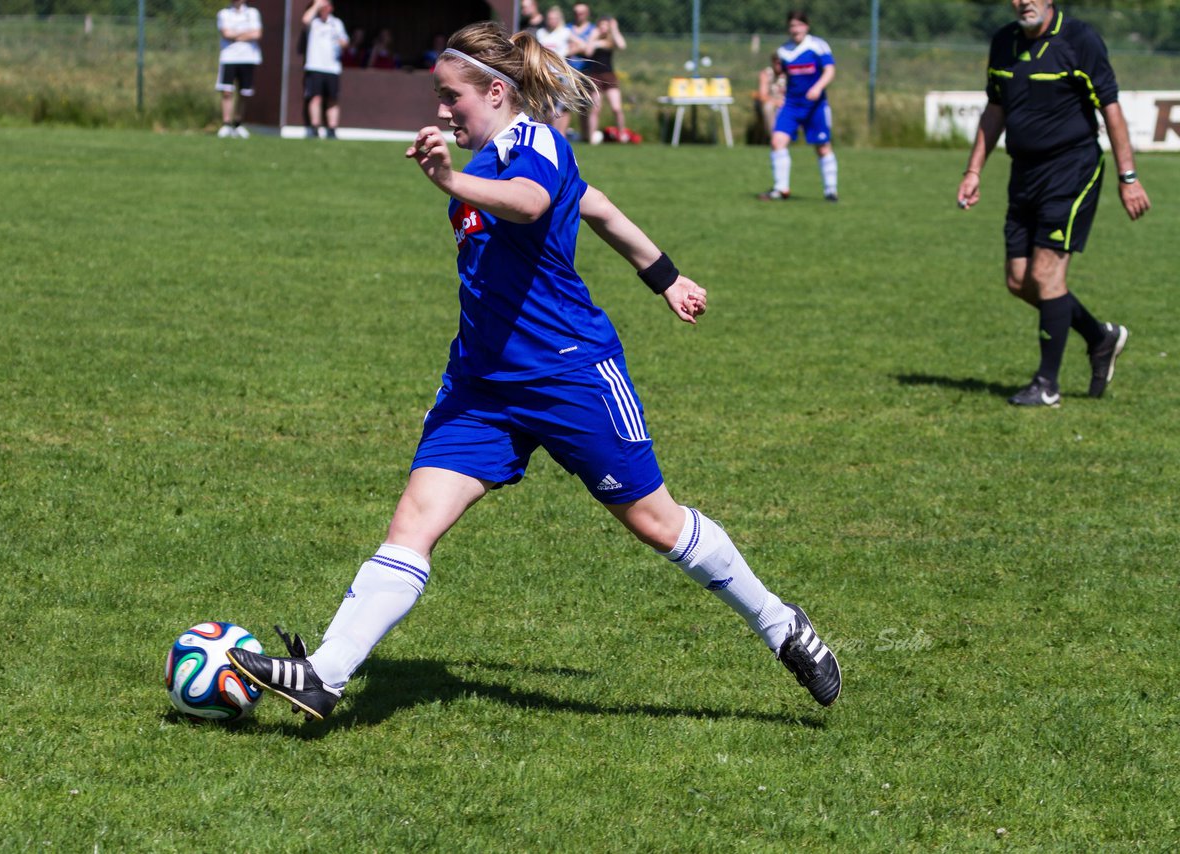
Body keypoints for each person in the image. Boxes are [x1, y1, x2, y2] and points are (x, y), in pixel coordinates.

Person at [226, 21, 842, 722]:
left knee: (655, 522)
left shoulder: (533, 144)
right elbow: (596, 205)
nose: (441, 110)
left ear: (495, 91)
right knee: (414, 521)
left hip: (569, 372)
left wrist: (450, 181)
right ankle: (325, 675)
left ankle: (779, 623)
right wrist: (665, 276)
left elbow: (536, 202)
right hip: (482, 384)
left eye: (450, 96)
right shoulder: (490, 153)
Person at [957, 0, 1150, 406]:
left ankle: (1047, 385)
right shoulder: (1004, 42)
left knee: (1047, 276)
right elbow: (996, 109)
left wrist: (1127, 176)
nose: (1025, 1)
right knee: (1018, 281)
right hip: (1024, 173)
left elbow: (1110, 108)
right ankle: (1100, 337)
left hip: (1072, 170)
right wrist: (973, 170)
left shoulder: (1079, 39)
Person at [757, 11, 837, 201]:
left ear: (806, 27)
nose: (795, 29)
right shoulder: (784, 51)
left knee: (822, 147)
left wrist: (818, 87)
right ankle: (780, 189)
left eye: (799, 25)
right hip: (792, 105)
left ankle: (830, 191)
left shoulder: (818, 46)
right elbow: (781, 75)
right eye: (792, 26)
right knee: (777, 142)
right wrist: (771, 78)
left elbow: (830, 70)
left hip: (815, 106)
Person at [215, 0, 262, 139]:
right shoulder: (223, 13)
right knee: (227, 91)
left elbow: (257, 34)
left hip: (248, 58)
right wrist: (246, 33)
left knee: (244, 92)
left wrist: (236, 35)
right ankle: (226, 124)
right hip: (229, 57)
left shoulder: (253, 13)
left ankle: (238, 124)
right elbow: (226, 33)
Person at [301, 0, 348, 139]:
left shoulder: (336, 23)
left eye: (326, 5)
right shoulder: (314, 22)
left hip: (332, 67)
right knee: (315, 97)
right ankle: (314, 128)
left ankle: (332, 129)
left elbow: (345, 42)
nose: (324, 7)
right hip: (315, 66)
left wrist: (341, 42)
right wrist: (316, 5)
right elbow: (305, 20)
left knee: (333, 98)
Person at [583, 15, 628, 144]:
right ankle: (591, 138)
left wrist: (614, 29)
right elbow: (588, 52)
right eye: (601, 25)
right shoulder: (594, 39)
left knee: (617, 108)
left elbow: (622, 45)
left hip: (609, 75)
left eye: (606, 25)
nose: (603, 28)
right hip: (595, 76)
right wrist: (593, 38)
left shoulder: (611, 40)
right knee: (596, 109)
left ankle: (622, 135)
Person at [535, 6, 574, 137]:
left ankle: (558, 134)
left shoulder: (565, 32)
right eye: (550, 18)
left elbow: (581, 44)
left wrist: (565, 54)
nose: (551, 21)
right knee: (545, 106)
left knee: (559, 108)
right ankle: (546, 133)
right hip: (544, 74)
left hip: (560, 75)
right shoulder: (541, 33)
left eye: (554, 18)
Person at [755, 54, 786, 144]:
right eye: (777, 63)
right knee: (768, 107)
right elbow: (762, 95)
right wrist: (776, 102)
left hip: (787, 102)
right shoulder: (766, 73)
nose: (779, 65)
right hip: (770, 100)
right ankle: (775, 138)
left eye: (781, 63)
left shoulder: (790, 73)